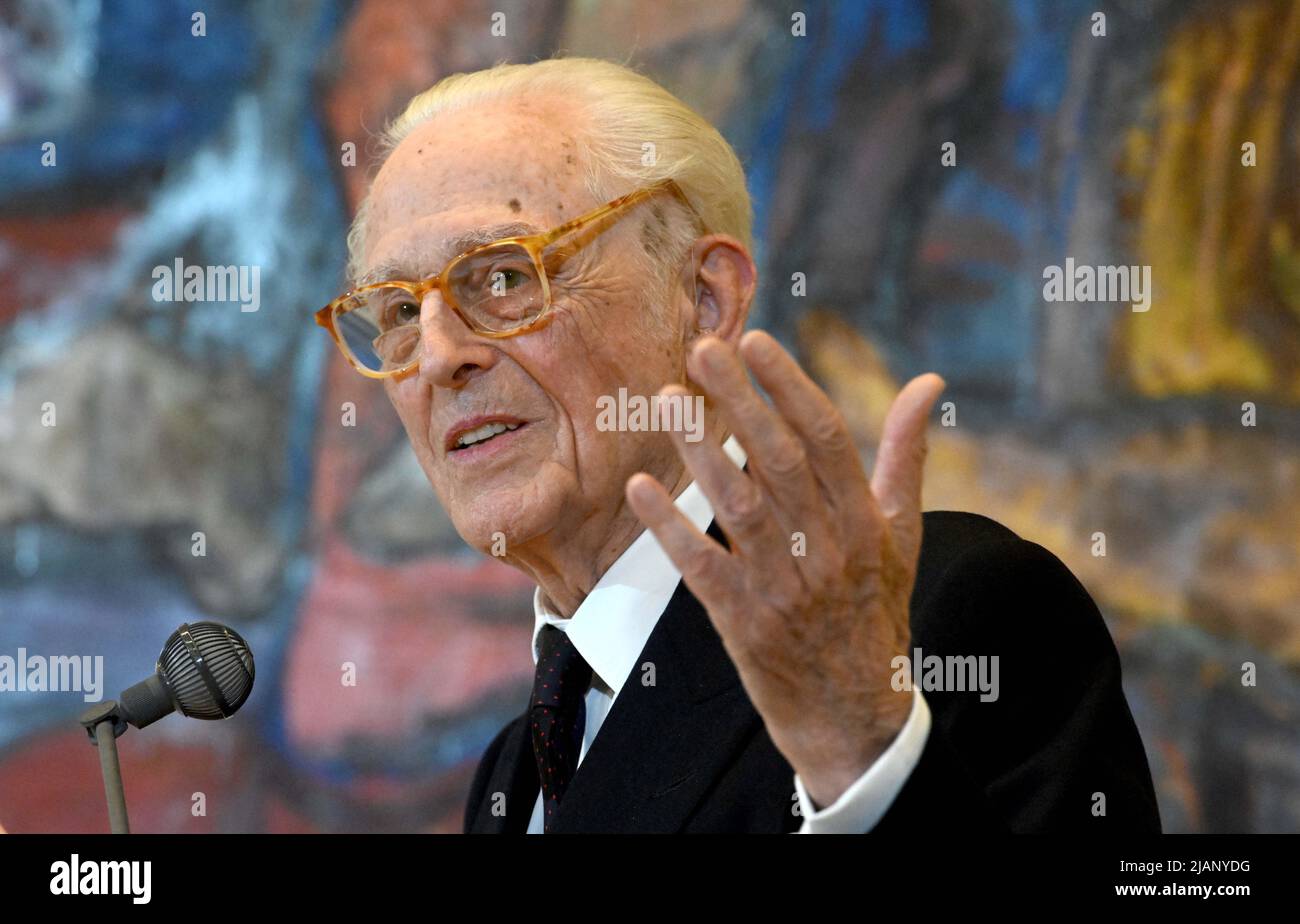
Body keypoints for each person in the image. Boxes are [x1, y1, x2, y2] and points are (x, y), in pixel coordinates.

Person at [318, 56, 1161, 833]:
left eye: (503, 277)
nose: (436, 357)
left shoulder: (937, 619)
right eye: (397, 312)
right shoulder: (512, 774)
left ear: (704, 300)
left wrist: (861, 758)